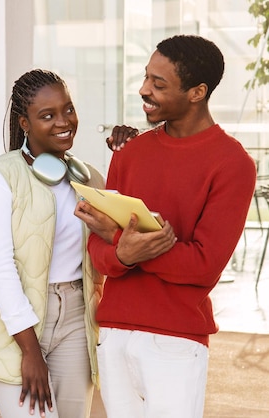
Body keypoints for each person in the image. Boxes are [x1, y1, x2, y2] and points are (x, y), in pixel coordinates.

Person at [74, 35, 257, 418]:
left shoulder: (232, 164)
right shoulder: (131, 152)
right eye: (146, 78)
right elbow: (99, 248)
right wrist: (121, 250)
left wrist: (123, 244)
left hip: (175, 341)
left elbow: (204, 265)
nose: (144, 90)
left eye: (159, 84)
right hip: (114, 332)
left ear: (197, 92)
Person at [0, 69, 129, 418]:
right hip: (16, 322)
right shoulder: (1, 176)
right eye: (47, 116)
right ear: (24, 123)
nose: (63, 122)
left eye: (68, 110)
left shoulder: (88, 177)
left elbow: (124, 228)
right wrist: (30, 351)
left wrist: (126, 155)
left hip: (77, 315)